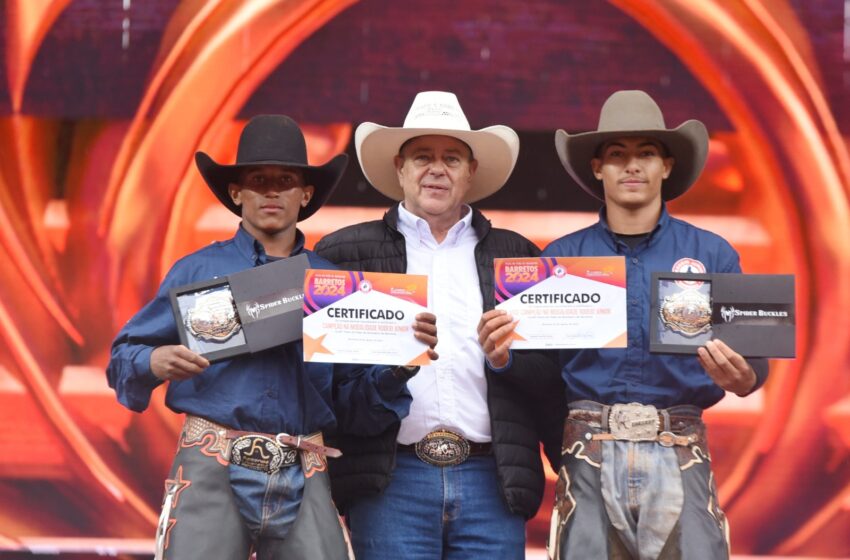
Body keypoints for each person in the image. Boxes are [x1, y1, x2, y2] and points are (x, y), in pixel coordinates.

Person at [106, 115, 436, 560]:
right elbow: (124, 355)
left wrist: (399, 363)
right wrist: (153, 361)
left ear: (306, 194)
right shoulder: (197, 271)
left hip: (304, 463)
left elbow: (354, 402)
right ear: (236, 193)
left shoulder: (332, 285)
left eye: (285, 180)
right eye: (258, 180)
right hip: (213, 460)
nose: (272, 191)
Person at [479, 90, 770, 559]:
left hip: (681, 445)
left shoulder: (713, 254)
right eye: (617, 155)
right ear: (598, 168)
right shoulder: (561, 259)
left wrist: (746, 377)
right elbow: (540, 371)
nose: (632, 166)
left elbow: (753, 358)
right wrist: (502, 356)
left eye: (646, 153)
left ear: (667, 166)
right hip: (587, 448)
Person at [314, 91, 564, 559]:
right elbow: (326, 390)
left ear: (470, 172)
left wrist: (508, 361)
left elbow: (551, 377)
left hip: (491, 478)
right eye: (422, 157)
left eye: (451, 158)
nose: (437, 169)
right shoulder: (343, 254)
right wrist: (390, 371)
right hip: (391, 480)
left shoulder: (518, 256)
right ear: (400, 168)